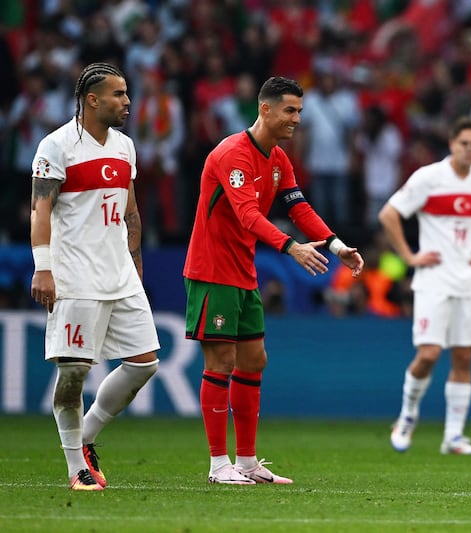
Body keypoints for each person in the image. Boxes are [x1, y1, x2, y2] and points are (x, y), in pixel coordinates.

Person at [183, 76, 364, 485]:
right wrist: (291, 248)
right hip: (213, 271)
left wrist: (337, 247)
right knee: (221, 362)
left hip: (242, 272)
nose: (297, 119)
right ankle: (218, 465)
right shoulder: (233, 154)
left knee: (254, 360)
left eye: (299, 111)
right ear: (265, 109)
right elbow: (248, 215)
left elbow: (299, 209)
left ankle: (246, 462)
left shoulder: (279, 159)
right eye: (290, 110)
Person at [29, 62, 160, 491]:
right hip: (75, 277)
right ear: (92, 99)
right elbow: (40, 210)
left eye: (126, 93)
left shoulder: (124, 146)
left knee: (145, 363)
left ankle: (83, 438)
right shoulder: (56, 146)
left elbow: (131, 211)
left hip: (120, 274)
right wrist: (43, 267)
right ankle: (76, 469)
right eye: (118, 94)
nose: (127, 101)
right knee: (74, 375)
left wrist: (136, 266)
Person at [379, 116, 471, 455]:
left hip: (469, 281)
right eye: (463, 143)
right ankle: (407, 417)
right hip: (434, 280)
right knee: (427, 354)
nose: (469, 149)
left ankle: (453, 437)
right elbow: (389, 214)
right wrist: (410, 257)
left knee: (464, 357)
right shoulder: (429, 178)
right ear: (452, 144)